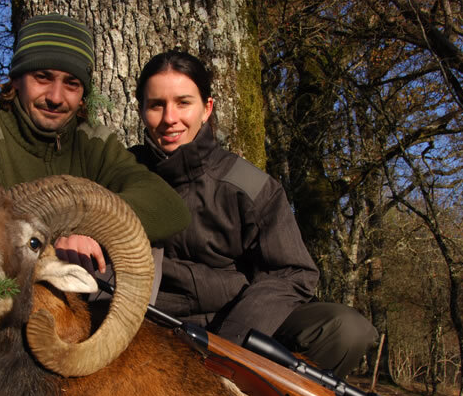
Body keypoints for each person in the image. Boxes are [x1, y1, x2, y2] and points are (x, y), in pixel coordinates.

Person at [129, 50, 377, 378]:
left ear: (207, 109)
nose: (170, 117)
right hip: (148, 325)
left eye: (183, 102)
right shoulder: (121, 173)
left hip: (239, 327)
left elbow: (293, 272)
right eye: (157, 105)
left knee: (346, 329)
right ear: (143, 111)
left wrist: (231, 342)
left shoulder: (248, 182)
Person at [0, 14, 190, 271]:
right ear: (16, 79)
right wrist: (58, 237)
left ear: (82, 94)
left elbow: (167, 207)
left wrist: (89, 229)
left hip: (72, 292)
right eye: (42, 77)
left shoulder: (94, 143)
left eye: (71, 83)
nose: (56, 96)